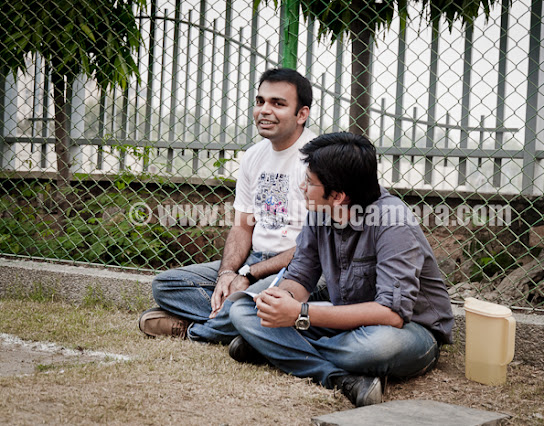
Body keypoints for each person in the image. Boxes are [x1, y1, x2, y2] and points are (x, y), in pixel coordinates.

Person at [228, 132, 455, 407]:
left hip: (409, 331)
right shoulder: (319, 212)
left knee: (375, 347)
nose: (302, 187)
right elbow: (299, 277)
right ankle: (340, 379)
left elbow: (392, 314)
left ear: (338, 196)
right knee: (243, 309)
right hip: (340, 323)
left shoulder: (393, 222)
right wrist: (282, 299)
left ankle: (274, 348)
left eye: (310, 182)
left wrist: (299, 314)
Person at [138, 68, 317, 344]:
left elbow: (313, 247)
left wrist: (248, 274)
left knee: (248, 305)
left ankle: (196, 329)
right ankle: (243, 326)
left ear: (301, 114)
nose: (264, 111)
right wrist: (227, 274)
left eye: (278, 104)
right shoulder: (253, 157)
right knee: (166, 285)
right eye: (260, 102)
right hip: (253, 260)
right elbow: (243, 226)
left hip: (296, 269)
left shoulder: (317, 158)